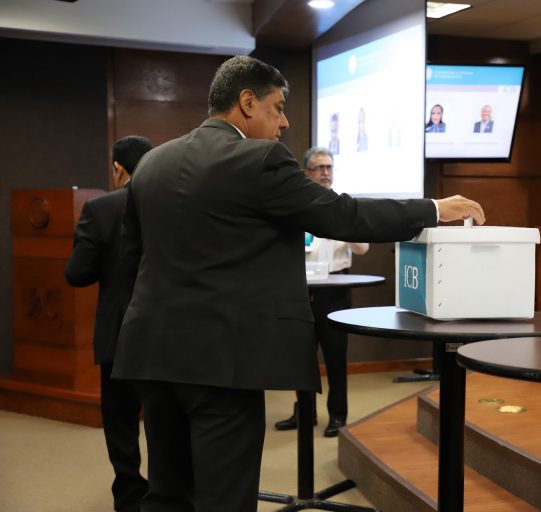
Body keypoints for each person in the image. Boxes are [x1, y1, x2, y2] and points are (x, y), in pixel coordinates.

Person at [111, 55, 485, 512]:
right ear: (247, 102)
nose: (285, 122)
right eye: (278, 107)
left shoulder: (152, 163)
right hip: (223, 363)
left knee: (167, 494)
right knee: (224, 498)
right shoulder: (259, 159)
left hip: (151, 353)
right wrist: (432, 209)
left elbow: (130, 261)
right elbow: (342, 215)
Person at [65, 135, 154, 512]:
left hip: (119, 332)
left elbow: (77, 273)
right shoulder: (175, 202)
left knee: (120, 422)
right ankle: (167, 492)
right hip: (167, 331)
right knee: (165, 417)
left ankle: (130, 494)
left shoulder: (100, 209)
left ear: (118, 169)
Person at [274, 147, 368, 437]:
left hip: (334, 290)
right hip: (300, 289)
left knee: (335, 357)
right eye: (319, 167)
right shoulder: (296, 205)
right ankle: (305, 413)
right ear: (307, 173)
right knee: (301, 358)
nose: (326, 172)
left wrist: (341, 224)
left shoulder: (344, 206)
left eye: (329, 167)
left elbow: (362, 248)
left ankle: (338, 415)